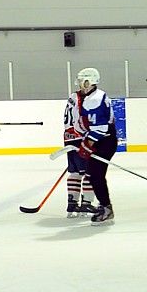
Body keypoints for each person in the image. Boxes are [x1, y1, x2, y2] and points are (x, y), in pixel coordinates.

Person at [76, 67, 117, 225]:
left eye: (82, 81)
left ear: (88, 82)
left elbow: (101, 128)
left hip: (104, 141)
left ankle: (106, 208)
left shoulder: (94, 100)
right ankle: (105, 206)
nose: (80, 85)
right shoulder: (95, 96)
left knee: (96, 175)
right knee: (94, 174)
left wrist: (88, 145)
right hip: (103, 139)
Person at [62, 79, 95, 218]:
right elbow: (79, 121)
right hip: (81, 140)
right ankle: (86, 203)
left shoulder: (73, 96)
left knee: (75, 173)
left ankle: (72, 204)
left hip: (69, 139)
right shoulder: (86, 98)